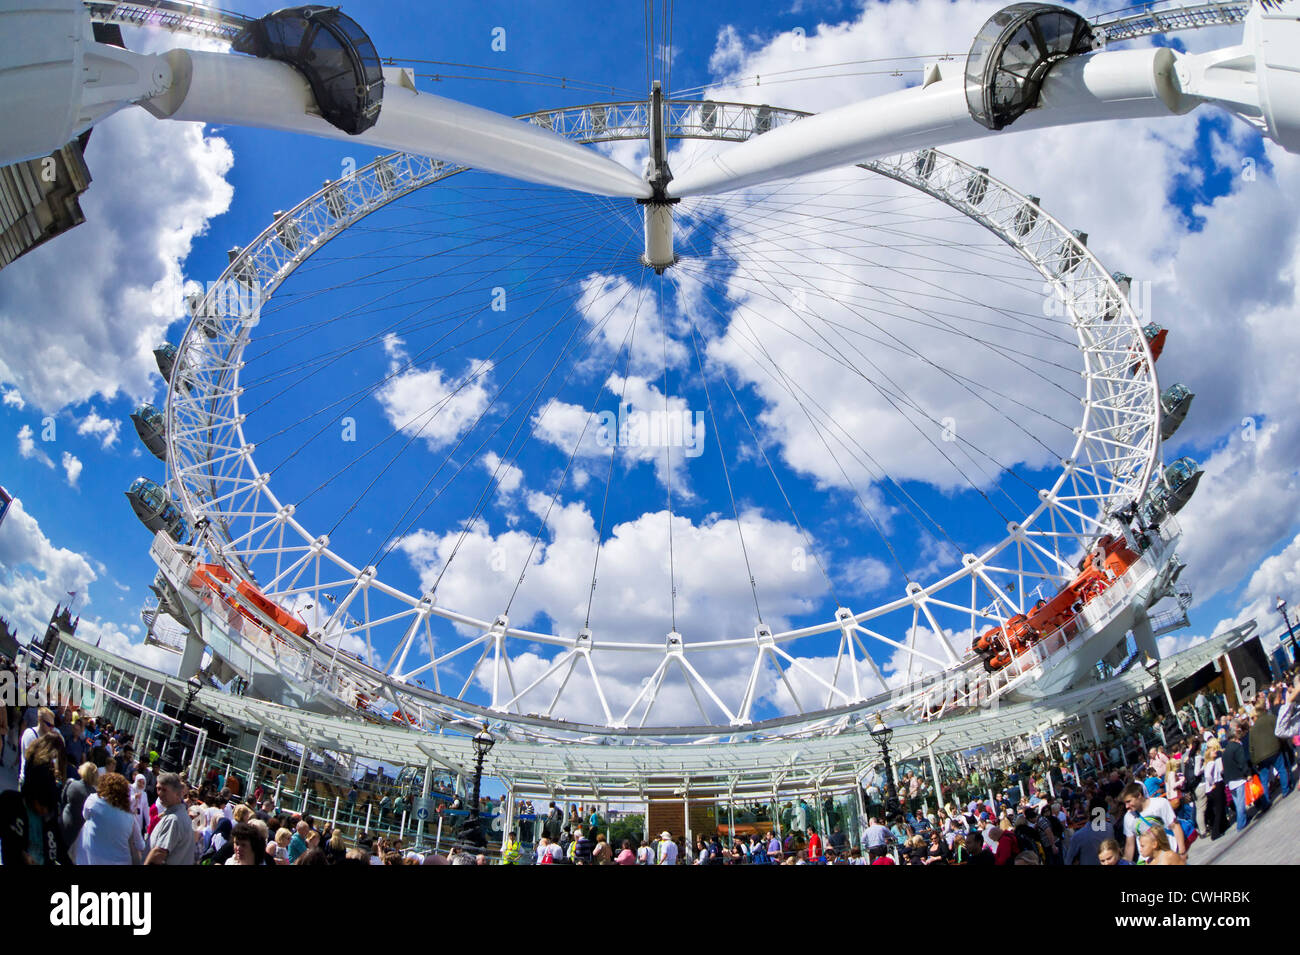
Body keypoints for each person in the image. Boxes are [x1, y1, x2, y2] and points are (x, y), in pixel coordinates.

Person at [79, 772, 147, 865]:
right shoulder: (130, 817)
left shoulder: (93, 801)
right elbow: (140, 845)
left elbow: (85, 816)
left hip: (88, 857)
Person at [1120, 782, 1184, 863]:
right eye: (1125, 803)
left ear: (1139, 795)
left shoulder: (1160, 803)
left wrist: (1182, 852)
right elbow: (1130, 844)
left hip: (1168, 853)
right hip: (1147, 860)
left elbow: (1175, 826)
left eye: (1129, 801)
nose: (1127, 806)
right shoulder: (1128, 817)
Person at [145, 772, 195, 865]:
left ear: (177, 793)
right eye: (158, 789)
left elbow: (158, 853)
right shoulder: (179, 815)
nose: (160, 793)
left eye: (164, 790)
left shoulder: (173, 819)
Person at [1249, 703, 1291, 800]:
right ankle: (1285, 790)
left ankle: (1266, 799)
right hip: (1274, 749)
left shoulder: (1252, 729)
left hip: (1261, 757)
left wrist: (1254, 761)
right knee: (1281, 769)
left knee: (1264, 779)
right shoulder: (1272, 718)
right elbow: (1280, 731)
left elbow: (1251, 748)